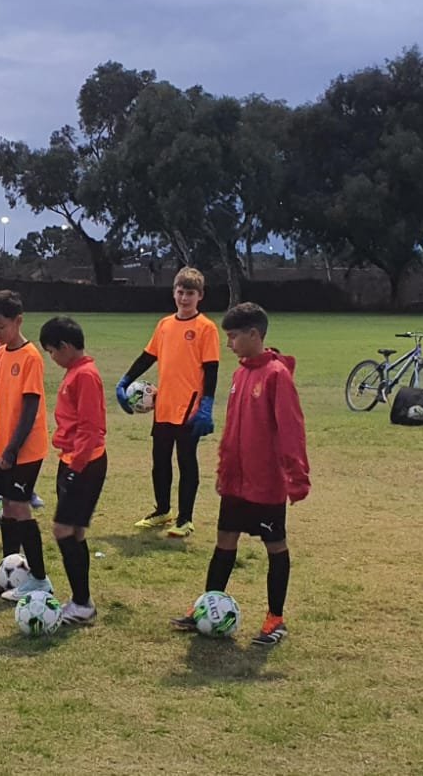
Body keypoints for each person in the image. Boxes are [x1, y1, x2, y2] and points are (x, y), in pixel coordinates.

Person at [170, 302, 308, 647]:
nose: (228, 343)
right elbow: (234, 429)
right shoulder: (240, 373)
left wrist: (297, 476)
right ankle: (207, 607)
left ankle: (275, 618)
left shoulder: (277, 376)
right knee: (223, 542)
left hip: (266, 484)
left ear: (254, 335)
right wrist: (224, 468)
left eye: (232, 337)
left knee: (274, 546)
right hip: (236, 481)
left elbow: (291, 429)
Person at [116, 266, 220, 537]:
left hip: (190, 408)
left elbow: (211, 370)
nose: (184, 298)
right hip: (163, 405)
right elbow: (148, 357)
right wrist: (125, 380)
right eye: (180, 292)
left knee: (186, 461)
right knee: (159, 460)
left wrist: (207, 405)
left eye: (190, 293)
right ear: (173, 292)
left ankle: (185, 519)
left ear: (200, 296)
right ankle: (162, 511)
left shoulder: (206, 328)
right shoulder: (164, 325)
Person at [0, 290, 52, 599]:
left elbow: (30, 408)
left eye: (0, 326)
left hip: (25, 448)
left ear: (18, 321)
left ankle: (39, 578)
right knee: (7, 507)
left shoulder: (30, 357)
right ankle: (7, 573)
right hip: (3, 447)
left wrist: (11, 449)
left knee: (20, 508)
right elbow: (0, 400)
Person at [40, 316, 106, 625]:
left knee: (62, 530)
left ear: (65, 347)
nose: (51, 358)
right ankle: (82, 601)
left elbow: (91, 428)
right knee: (75, 531)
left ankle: (82, 604)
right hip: (71, 461)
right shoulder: (74, 372)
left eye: (51, 351)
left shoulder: (85, 376)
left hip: (85, 463)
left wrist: (76, 468)